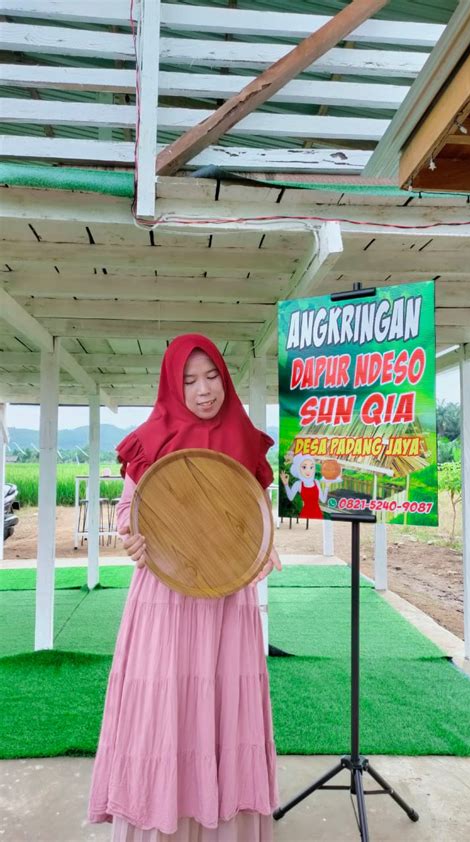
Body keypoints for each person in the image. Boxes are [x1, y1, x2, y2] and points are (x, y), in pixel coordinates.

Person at [88, 334, 282, 842]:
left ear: (225, 376)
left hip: (227, 598)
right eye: (190, 380)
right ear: (172, 386)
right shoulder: (153, 437)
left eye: (212, 376)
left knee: (223, 707)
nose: (204, 390)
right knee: (167, 705)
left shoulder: (243, 437)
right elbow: (132, 510)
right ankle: (161, 819)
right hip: (166, 598)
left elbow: (253, 516)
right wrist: (131, 539)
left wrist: (264, 546)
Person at [280, 454, 337, 519]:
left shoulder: (316, 482)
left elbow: (323, 500)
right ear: (298, 468)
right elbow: (290, 498)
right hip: (305, 514)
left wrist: (327, 487)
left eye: (311, 467)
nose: (308, 470)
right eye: (304, 467)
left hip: (317, 514)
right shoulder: (298, 484)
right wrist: (286, 484)